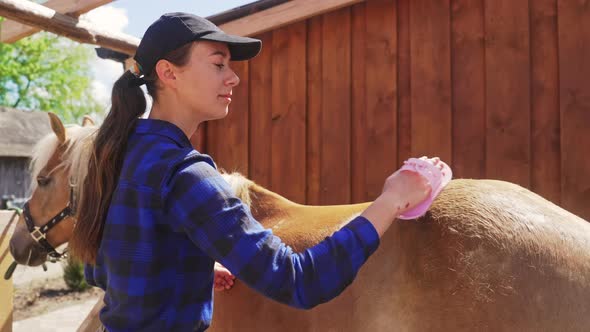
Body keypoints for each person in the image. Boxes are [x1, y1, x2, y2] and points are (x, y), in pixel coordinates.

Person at [70, 12, 441, 332]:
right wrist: (391, 199)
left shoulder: (117, 153)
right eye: (218, 64)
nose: (233, 78)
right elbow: (298, 280)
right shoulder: (184, 172)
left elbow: (100, 272)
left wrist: (187, 269)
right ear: (169, 73)